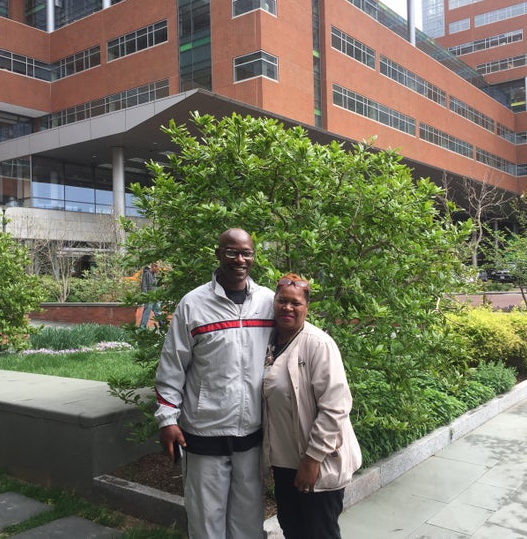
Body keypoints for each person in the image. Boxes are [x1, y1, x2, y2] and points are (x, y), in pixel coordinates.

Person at [154, 228, 275, 539]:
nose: (240, 259)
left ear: (253, 256)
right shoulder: (193, 305)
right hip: (204, 432)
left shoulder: (268, 302)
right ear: (218, 254)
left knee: (248, 523)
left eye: (246, 252)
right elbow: (172, 367)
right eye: (232, 251)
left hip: (251, 433)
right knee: (206, 522)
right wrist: (167, 419)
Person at [263, 273, 362, 539]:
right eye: (282, 301)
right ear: (274, 302)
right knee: (292, 530)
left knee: (319, 532)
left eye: (296, 303)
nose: (288, 307)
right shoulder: (268, 342)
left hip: (317, 462)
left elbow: (336, 406)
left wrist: (312, 459)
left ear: (307, 308)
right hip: (284, 464)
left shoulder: (318, 345)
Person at [139, 261, 162, 329]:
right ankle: (142, 328)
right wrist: (146, 297)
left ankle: (163, 327)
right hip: (149, 298)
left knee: (158, 312)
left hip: (155, 297)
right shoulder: (146, 274)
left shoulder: (154, 274)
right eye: (157, 269)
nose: (158, 271)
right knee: (147, 313)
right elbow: (144, 286)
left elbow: (155, 286)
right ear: (153, 267)